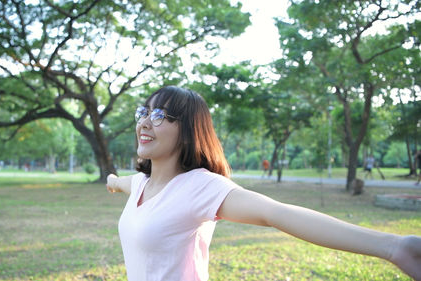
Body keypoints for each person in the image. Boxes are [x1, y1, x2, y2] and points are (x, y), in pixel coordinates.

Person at [106, 86, 421, 281]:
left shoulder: (198, 187)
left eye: (160, 115)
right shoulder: (140, 184)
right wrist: (112, 181)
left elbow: (276, 213)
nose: (145, 122)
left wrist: (393, 247)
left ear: (187, 130)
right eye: (144, 112)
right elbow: (120, 182)